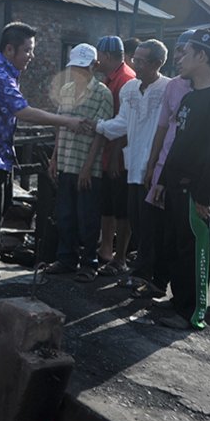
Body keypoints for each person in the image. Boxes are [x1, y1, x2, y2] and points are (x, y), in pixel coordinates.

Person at [0, 22, 91, 279]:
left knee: (4, 200)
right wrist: (68, 121)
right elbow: (24, 111)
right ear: (10, 49)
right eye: (27, 50)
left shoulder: (4, 68)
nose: (31, 56)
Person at [143, 29, 210, 296]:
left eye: (185, 53)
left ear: (201, 56)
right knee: (175, 245)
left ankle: (191, 312)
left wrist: (204, 196)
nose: (179, 59)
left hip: (197, 193)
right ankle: (177, 303)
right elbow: (178, 145)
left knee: (193, 251)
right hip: (176, 186)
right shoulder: (189, 97)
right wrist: (162, 181)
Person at [95, 40, 170, 284]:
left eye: (140, 60)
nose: (134, 63)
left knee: (153, 225)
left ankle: (150, 276)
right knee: (137, 220)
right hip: (134, 166)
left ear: (157, 63)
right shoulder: (129, 89)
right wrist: (96, 126)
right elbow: (122, 124)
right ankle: (141, 273)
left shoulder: (169, 90)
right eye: (134, 58)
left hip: (155, 169)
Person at [46, 44, 113, 282]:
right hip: (65, 160)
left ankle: (89, 262)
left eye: (83, 67)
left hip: (87, 165)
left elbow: (100, 132)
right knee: (65, 215)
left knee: (88, 218)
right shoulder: (66, 89)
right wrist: (54, 158)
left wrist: (87, 167)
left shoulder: (103, 93)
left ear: (94, 66)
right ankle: (66, 258)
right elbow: (60, 125)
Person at [94, 36, 136, 276]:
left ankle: (119, 256)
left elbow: (125, 124)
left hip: (120, 154)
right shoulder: (112, 78)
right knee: (107, 206)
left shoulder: (126, 80)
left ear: (107, 56)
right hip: (109, 151)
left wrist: (117, 157)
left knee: (121, 209)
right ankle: (106, 250)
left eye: (99, 55)